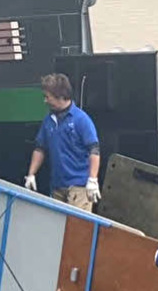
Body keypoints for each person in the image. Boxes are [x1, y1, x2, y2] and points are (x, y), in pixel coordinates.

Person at [24, 73, 101, 211]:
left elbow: (94, 149)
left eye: (47, 97)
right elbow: (40, 148)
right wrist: (31, 174)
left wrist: (92, 180)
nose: (45, 100)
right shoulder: (49, 120)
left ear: (60, 96)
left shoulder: (81, 119)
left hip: (79, 187)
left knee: (77, 227)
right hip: (57, 186)